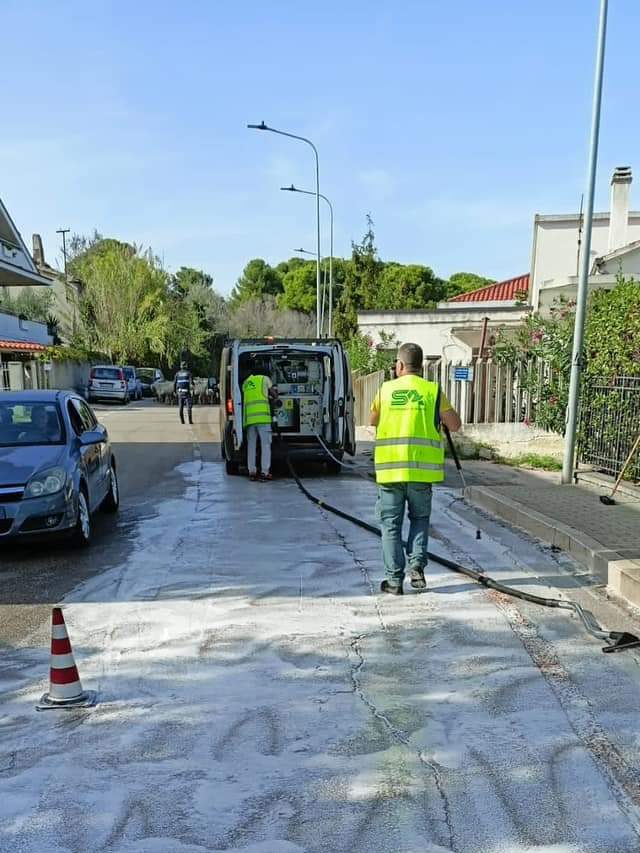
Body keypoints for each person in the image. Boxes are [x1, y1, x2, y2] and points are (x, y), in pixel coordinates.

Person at [370, 342, 461, 595]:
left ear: (399, 365)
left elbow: (372, 419)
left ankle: (394, 581)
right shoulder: (432, 391)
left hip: (390, 472)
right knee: (419, 519)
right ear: (421, 367)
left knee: (390, 525)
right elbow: (455, 425)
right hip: (421, 473)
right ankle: (417, 568)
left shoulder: (386, 390)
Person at [242, 367, 278, 482]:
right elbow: (274, 395)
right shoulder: (265, 379)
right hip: (263, 418)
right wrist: (274, 394)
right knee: (265, 445)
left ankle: (252, 471)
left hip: (249, 420)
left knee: (251, 446)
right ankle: (264, 472)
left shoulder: (246, 382)